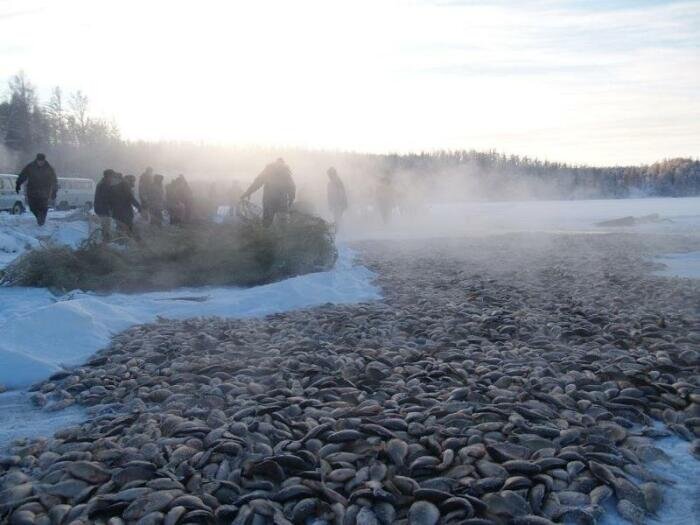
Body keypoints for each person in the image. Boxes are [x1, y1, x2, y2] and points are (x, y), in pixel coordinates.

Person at [241, 158, 296, 227]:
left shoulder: (268, 171)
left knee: (267, 220)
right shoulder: (286, 172)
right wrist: (291, 199)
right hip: (282, 200)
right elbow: (292, 187)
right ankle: (282, 235)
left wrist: (247, 193)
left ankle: (266, 234)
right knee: (282, 220)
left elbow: (257, 183)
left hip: (268, 199)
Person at [15, 153, 57, 226]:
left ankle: (42, 219)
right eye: (39, 161)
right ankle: (38, 216)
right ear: (37, 160)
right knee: (32, 207)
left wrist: (54, 191)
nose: (41, 163)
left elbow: (54, 180)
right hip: (32, 190)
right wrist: (18, 184)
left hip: (44, 190)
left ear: (44, 160)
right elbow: (23, 175)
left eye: (42, 161)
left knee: (43, 206)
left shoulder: (49, 168)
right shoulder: (30, 166)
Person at [94, 169, 115, 242]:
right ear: (108, 176)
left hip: (102, 209)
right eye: (112, 176)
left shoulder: (103, 183)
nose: (113, 178)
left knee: (105, 228)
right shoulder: (104, 185)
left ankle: (105, 243)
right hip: (103, 210)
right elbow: (106, 198)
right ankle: (105, 244)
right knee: (106, 229)